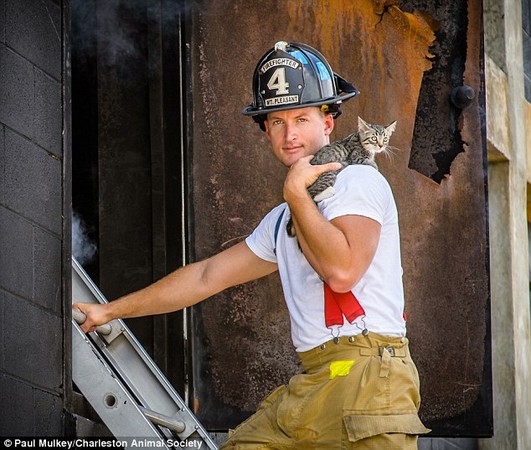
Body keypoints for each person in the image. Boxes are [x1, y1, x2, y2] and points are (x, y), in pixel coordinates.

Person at [74, 41, 430, 449]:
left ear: (328, 121)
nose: (290, 133)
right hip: (317, 379)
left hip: (373, 379)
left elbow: (342, 273)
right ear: (265, 129)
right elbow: (207, 276)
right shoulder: (281, 222)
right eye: (276, 121)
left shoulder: (358, 181)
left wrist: (296, 194)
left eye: (301, 117)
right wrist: (110, 310)